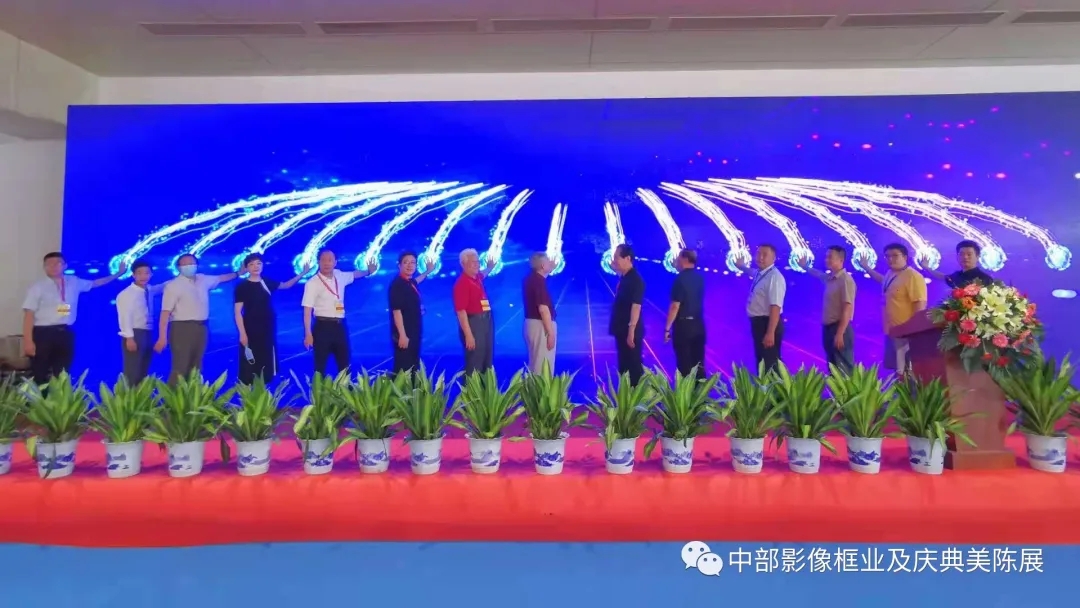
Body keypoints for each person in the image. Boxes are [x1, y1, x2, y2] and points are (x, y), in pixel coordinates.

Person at [21, 252, 125, 385]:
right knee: (40, 371)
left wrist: (117, 274)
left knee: (63, 372)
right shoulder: (37, 287)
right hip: (43, 334)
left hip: (65, 332)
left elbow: (95, 283)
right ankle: (38, 397)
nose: (54, 266)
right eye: (49, 264)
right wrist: (28, 341)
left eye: (58, 263)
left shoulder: (73, 281)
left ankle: (60, 397)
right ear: (44, 267)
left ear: (65, 266)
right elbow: (28, 315)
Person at [155, 254, 239, 384]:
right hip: (181, 329)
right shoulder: (173, 286)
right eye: (185, 264)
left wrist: (239, 273)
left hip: (201, 328)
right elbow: (165, 313)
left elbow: (222, 278)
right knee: (181, 366)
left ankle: (193, 394)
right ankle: (172, 395)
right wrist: (162, 337)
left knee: (197, 366)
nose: (189, 266)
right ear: (178, 267)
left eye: (192, 264)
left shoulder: (203, 279)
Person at [233, 253, 309, 385]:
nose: (255, 267)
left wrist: (302, 273)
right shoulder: (242, 287)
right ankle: (248, 387)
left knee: (266, 354)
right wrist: (242, 333)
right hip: (250, 325)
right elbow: (238, 312)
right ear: (246, 268)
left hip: (267, 325)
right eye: (251, 264)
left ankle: (264, 385)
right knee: (249, 356)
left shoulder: (266, 282)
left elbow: (286, 285)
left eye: (258, 263)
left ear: (262, 265)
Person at [301, 249, 376, 376]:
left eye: (330, 260)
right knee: (320, 367)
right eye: (323, 260)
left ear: (335, 262)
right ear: (318, 262)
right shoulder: (312, 283)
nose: (326, 263)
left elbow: (354, 274)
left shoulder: (339, 275)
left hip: (340, 327)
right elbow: (307, 310)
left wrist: (368, 271)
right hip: (322, 328)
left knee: (344, 365)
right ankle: (319, 389)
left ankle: (345, 388)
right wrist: (308, 334)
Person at [858, 243, 927, 373]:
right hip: (891, 330)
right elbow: (884, 281)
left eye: (895, 256)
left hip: (906, 333)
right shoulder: (891, 273)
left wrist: (915, 332)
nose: (890, 259)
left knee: (906, 370)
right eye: (887, 256)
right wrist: (866, 267)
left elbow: (920, 305)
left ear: (905, 257)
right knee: (896, 368)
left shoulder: (913, 276)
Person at [797, 246, 857, 375]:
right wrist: (805, 267)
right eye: (826, 257)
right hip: (829, 328)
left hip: (840, 328)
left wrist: (840, 333)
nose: (826, 260)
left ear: (841, 260)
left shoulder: (845, 280)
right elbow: (818, 274)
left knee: (843, 369)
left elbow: (848, 307)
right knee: (832, 366)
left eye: (830, 257)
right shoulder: (830, 278)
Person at [737, 244, 786, 374]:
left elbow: (775, 307)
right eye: (758, 254)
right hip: (759, 323)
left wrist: (770, 333)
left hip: (768, 323)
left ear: (774, 258)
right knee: (762, 361)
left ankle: (774, 387)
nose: (760, 257)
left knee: (770, 363)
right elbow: (751, 272)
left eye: (765, 255)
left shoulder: (774, 277)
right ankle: (764, 386)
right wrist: (741, 266)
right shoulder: (761, 273)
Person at [115, 259, 165, 385]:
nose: (143, 276)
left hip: (148, 333)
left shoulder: (149, 290)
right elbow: (124, 317)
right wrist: (129, 338)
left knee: (144, 368)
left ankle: (142, 394)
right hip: (135, 333)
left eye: (147, 273)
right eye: (139, 273)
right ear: (133, 275)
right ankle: (129, 395)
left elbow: (163, 286)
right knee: (133, 370)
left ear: (151, 274)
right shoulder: (126, 294)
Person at [388, 250, 434, 373]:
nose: (410, 265)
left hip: (413, 332)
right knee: (404, 367)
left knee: (413, 365)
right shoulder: (397, 285)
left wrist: (428, 271)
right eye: (406, 262)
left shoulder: (409, 282)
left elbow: (417, 280)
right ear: (399, 265)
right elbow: (396, 312)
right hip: (405, 334)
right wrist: (402, 335)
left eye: (413, 262)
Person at [453, 248, 497, 375]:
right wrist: (468, 335)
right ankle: (472, 386)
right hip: (474, 324)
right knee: (475, 359)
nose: (477, 264)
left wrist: (490, 267)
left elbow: (483, 273)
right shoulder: (462, 284)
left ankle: (485, 386)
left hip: (486, 321)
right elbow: (461, 312)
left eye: (478, 261)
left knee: (486, 357)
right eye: (473, 262)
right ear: (463, 264)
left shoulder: (476, 278)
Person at [664, 248, 705, 378]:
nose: (676, 260)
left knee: (684, 364)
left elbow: (675, 306)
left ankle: (687, 390)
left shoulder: (679, 280)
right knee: (698, 364)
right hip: (699, 325)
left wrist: (667, 328)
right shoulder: (700, 278)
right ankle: (701, 390)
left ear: (685, 259)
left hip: (684, 327)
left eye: (678, 258)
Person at [608, 243, 645, 385]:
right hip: (622, 330)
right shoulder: (626, 277)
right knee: (624, 366)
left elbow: (636, 306)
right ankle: (626, 394)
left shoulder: (636, 280)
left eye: (617, 257)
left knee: (633, 367)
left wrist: (631, 331)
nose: (614, 261)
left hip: (629, 331)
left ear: (628, 258)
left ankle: (636, 395)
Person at [522, 252, 557, 374]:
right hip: (540, 326)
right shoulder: (538, 282)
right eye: (548, 261)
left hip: (532, 324)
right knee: (543, 365)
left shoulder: (531, 279)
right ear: (542, 265)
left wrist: (551, 268)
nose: (551, 263)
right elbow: (543, 309)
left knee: (536, 362)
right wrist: (550, 333)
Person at [921, 240, 994, 289]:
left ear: (977, 257)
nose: (965, 257)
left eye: (969, 254)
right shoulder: (957, 275)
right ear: (957, 257)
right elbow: (943, 277)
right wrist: (926, 267)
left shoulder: (986, 279)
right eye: (961, 254)